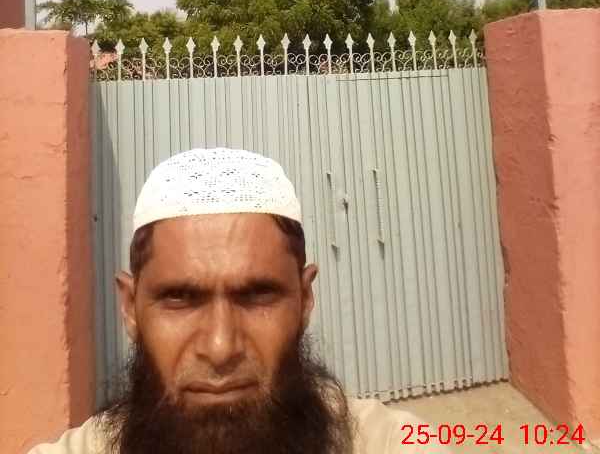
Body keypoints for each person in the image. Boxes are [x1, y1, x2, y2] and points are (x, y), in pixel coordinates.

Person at [29, 147, 454, 453]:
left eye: (257, 296)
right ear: (130, 308)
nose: (220, 348)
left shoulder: (386, 441)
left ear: (305, 298)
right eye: (180, 298)